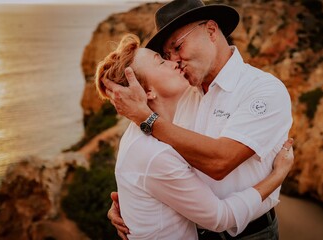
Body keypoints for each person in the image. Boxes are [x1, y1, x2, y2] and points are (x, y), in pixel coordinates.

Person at [104, 0, 293, 239]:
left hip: (249, 234)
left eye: (177, 46)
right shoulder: (182, 92)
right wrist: (134, 206)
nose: (173, 60)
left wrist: (146, 118)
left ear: (211, 30)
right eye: (166, 55)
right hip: (191, 229)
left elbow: (220, 162)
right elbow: (156, 162)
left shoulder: (263, 90)